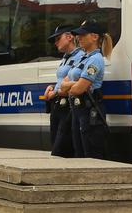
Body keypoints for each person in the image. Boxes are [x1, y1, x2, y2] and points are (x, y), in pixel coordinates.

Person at [67, 21, 108, 159]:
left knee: (90, 154)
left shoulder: (96, 59)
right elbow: (62, 85)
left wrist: (73, 86)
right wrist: (75, 84)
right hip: (78, 110)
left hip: (89, 111)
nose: (79, 38)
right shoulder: (83, 58)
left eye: (83, 35)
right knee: (79, 153)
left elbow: (78, 89)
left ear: (95, 37)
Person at [42, 24, 82, 157]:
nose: (55, 43)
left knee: (60, 150)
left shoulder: (80, 56)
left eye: (58, 38)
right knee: (56, 145)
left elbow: (70, 81)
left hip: (68, 106)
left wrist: (56, 91)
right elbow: (62, 80)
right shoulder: (66, 57)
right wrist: (52, 87)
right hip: (58, 105)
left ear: (70, 37)